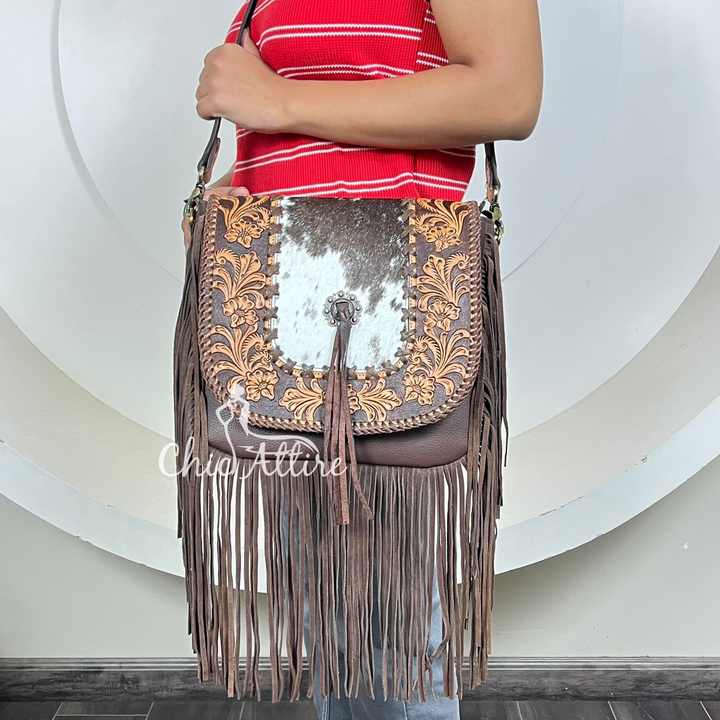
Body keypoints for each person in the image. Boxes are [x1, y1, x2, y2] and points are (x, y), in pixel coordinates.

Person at [183, 1, 542, 717]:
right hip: (286, 320)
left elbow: (508, 93)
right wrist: (235, 197)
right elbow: (322, 140)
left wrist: (278, 99)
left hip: (385, 316)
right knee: (341, 627)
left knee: (382, 629)